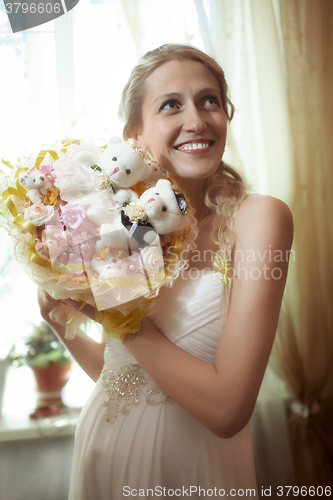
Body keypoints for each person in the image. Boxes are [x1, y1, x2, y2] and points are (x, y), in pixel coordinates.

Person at [38, 44, 294, 499]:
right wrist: (59, 316)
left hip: (194, 468)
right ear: (133, 135)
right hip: (103, 451)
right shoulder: (122, 228)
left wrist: (114, 316)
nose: (196, 119)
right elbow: (122, 376)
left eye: (209, 100)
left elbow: (227, 410)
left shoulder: (260, 220)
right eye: (171, 104)